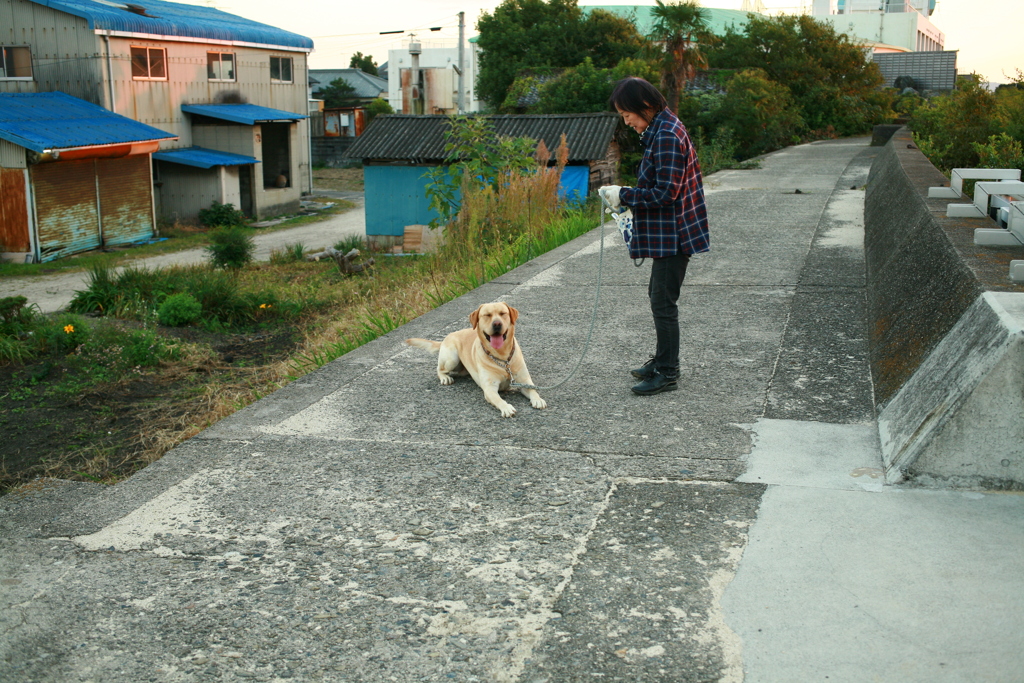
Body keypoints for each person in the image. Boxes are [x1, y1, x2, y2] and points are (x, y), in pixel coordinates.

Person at [599, 77, 709, 396]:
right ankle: (662, 360)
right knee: (657, 296)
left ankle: (668, 372)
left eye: (627, 114)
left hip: (674, 233)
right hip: (672, 231)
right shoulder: (661, 128)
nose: (627, 121)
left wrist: (625, 194)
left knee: (663, 303)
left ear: (644, 106)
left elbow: (666, 193)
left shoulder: (666, 136)